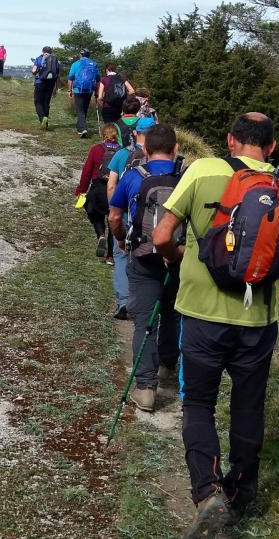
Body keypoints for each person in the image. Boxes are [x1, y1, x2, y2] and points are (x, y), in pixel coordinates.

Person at [153, 113, 279, 537]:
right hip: (258, 322)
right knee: (248, 406)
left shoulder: (202, 170)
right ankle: (241, 494)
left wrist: (179, 259)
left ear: (230, 140)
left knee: (199, 403)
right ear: (272, 146)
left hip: (202, 316)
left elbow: (161, 237)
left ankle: (208, 495)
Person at [108, 123, 182, 412]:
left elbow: (115, 217)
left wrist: (121, 240)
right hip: (176, 256)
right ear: (175, 149)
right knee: (171, 313)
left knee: (144, 320)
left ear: (145, 149)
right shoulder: (184, 178)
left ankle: (146, 388)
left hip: (142, 254)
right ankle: (166, 367)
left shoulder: (132, 176)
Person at [104, 115, 155, 318]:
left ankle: (124, 301)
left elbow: (111, 185)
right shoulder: (157, 156)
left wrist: (113, 208)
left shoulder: (122, 154)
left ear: (135, 133)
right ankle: (145, 301)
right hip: (150, 212)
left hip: (125, 210)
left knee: (122, 254)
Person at [76, 123, 123, 261]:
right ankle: (110, 256)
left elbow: (86, 172)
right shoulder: (123, 152)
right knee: (113, 219)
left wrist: (81, 190)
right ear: (117, 136)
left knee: (94, 212)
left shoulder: (96, 149)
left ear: (102, 135)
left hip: (98, 188)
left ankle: (100, 234)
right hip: (115, 189)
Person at [68, 50, 100, 138]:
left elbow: (70, 78)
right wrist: (96, 92)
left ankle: (82, 128)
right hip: (89, 90)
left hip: (78, 89)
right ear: (89, 55)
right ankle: (79, 127)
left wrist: (70, 90)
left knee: (79, 109)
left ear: (81, 55)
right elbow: (98, 80)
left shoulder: (76, 64)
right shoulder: (94, 64)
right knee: (84, 109)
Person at [31, 46, 61, 129]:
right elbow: (57, 75)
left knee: (38, 102)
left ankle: (42, 117)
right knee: (46, 103)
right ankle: (46, 124)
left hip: (40, 82)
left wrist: (34, 72)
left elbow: (34, 70)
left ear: (43, 51)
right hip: (51, 84)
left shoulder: (39, 58)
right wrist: (56, 88)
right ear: (51, 52)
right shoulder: (55, 60)